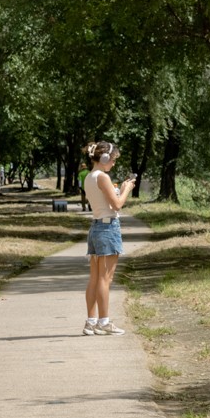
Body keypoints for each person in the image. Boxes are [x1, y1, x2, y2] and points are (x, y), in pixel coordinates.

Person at [83, 141, 136, 336]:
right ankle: (104, 321)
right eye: (113, 160)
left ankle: (91, 321)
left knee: (95, 278)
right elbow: (117, 205)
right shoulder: (103, 177)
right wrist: (126, 189)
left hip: (96, 226)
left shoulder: (89, 177)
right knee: (106, 279)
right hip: (108, 228)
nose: (113, 164)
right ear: (104, 159)